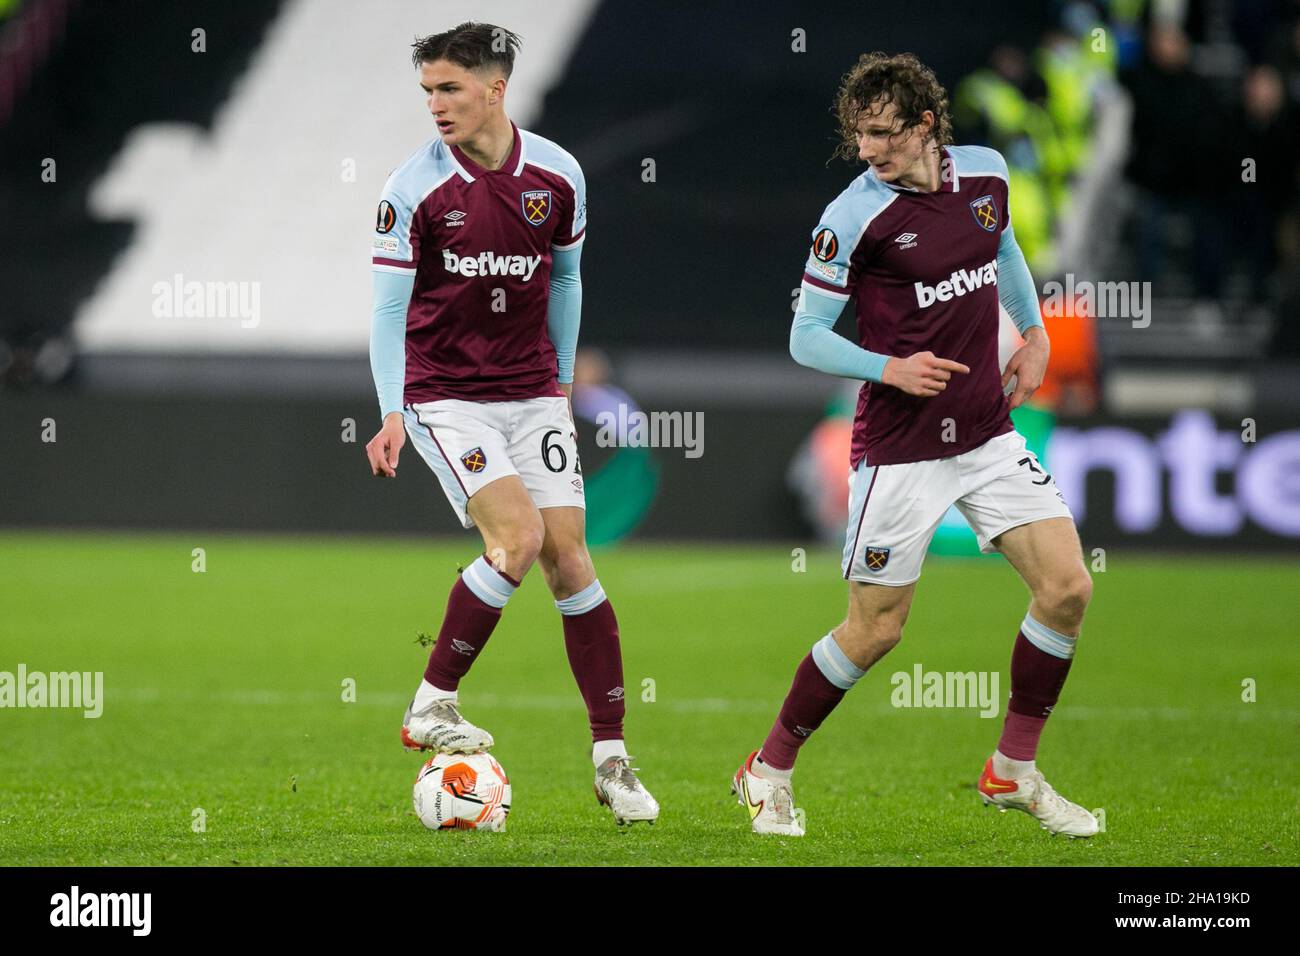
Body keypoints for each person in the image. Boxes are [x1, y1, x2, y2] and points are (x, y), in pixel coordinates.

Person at [733, 52, 1097, 839]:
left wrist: (1032, 332)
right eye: (860, 136)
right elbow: (804, 338)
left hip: (986, 432)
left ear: (927, 125)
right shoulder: (851, 217)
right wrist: (887, 365)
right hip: (900, 450)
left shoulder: (988, 176)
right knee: (876, 631)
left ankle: (1013, 769)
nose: (869, 150)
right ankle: (767, 769)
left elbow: (1001, 252)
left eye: (884, 135)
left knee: (1067, 588)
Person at [366, 22, 658, 826]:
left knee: (570, 560)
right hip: (444, 394)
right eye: (427, 89)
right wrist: (392, 410)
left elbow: (565, 283)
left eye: (449, 88)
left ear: (496, 88)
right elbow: (388, 315)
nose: (435, 104)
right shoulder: (412, 189)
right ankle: (432, 701)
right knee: (518, 541)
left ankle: (612, 760)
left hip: (532, 394)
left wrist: (559, 384)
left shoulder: (557, 175)